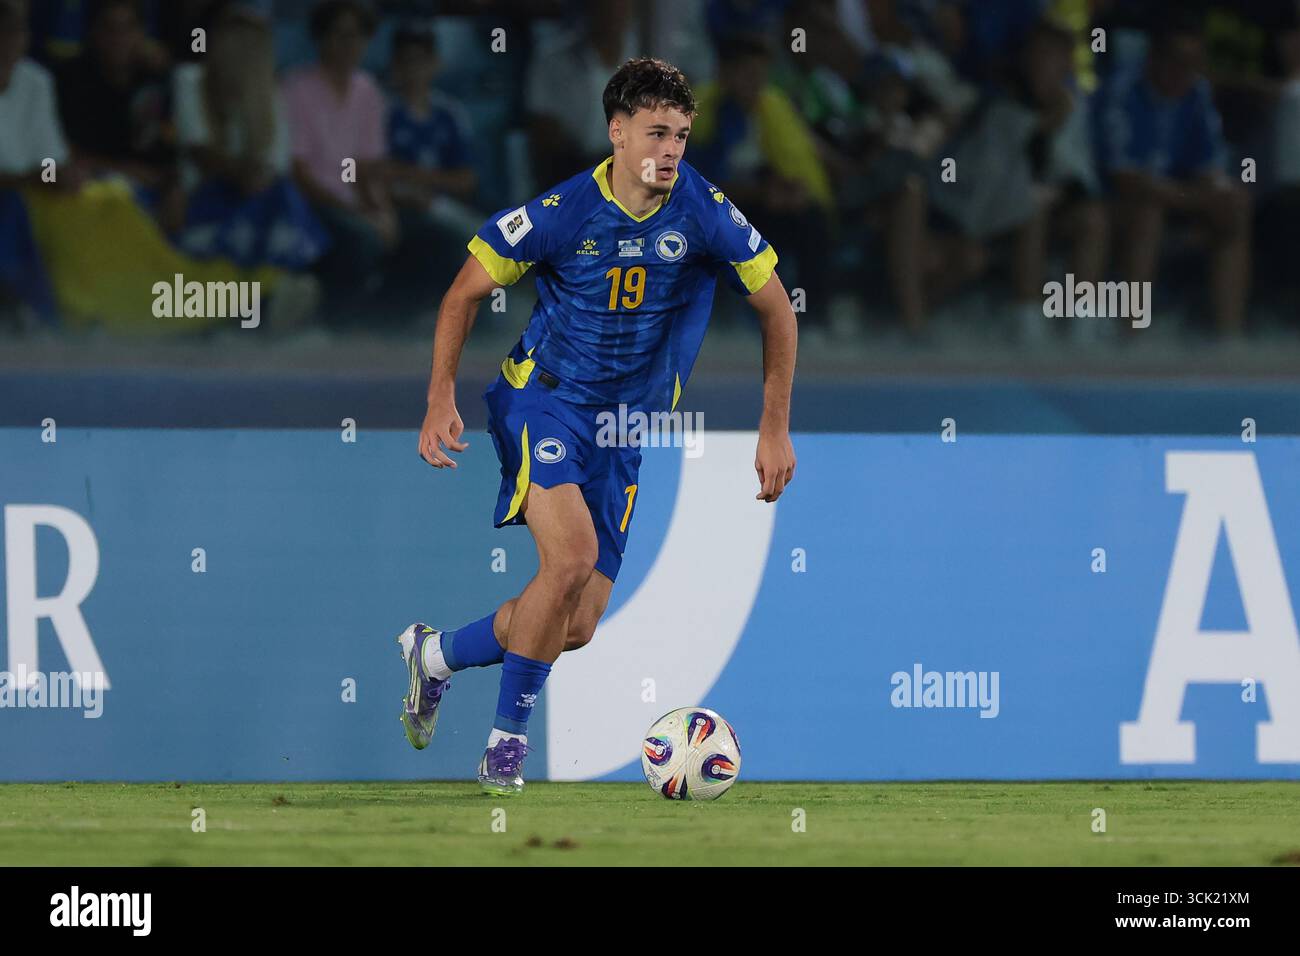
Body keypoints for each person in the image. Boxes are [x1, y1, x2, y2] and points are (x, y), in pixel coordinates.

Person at [401, 57, 798, 795]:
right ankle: (505, 748)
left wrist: (773, 426)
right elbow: (463, 293)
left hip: (624, 432)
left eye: (681, 133)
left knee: (575, 621)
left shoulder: (705, 210)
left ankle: (436, 657)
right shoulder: (563, 214)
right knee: (572, 555)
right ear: (617, 133)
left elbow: (777, 307)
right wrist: (438, 397)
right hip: (542, 402)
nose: (671, 149)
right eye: (656, 132)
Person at [1091, 16, 1252, 337]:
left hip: (1173, 200)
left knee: (1234, 206)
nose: (1186, 71)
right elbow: (1126, 181)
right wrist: (1195, 198)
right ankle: (1131, 336)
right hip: (1110, 204)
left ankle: (1229, 337)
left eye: (1194, 62)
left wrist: (1217, 193)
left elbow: (1210, 167)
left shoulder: (1197, 92)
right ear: (1154, 58)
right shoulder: (1121, 89)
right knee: (1148, 214)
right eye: (1178, 61)